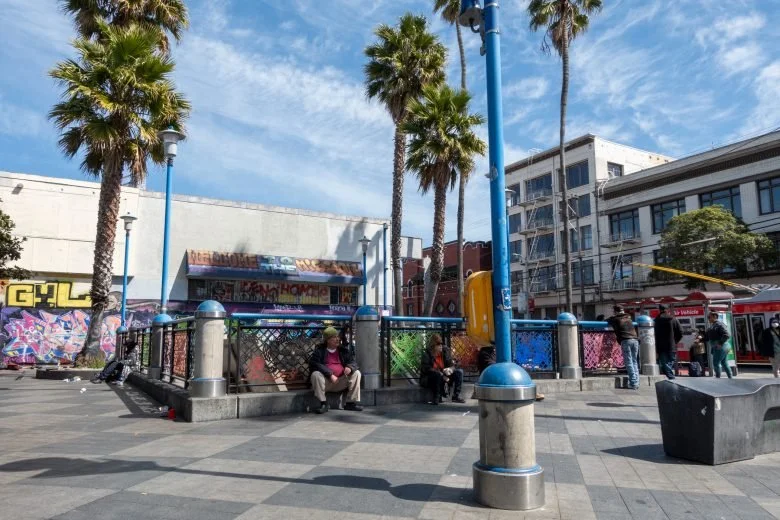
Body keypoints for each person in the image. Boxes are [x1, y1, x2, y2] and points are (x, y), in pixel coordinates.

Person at [309, 326, 363, 414]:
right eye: (334, 337)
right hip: (326, 382)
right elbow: (315, 364)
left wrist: (350, 367)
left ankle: (350, 403)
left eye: (338, 337)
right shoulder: (319, 351)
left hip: (341, 381)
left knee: (356, 373)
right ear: (327, 340)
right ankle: (323, 404)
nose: (337, 339)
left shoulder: (343, 351)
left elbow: (353, 363)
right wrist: (330, 374)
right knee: (315, 374)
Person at [476, 342, 544, 401]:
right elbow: (490, 366)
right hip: (491, 377)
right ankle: (531, 394)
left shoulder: (494, 352)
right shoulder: (485, 353)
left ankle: (531, 393)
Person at [420, 334, 465, 404]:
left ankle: (456, 396)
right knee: (437, 375)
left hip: (444, 376)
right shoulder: (427, 354)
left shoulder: (445, 351)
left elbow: (453, 364)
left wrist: (450, 369)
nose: (441, 345)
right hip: (430, 378)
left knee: (459, 372)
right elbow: (426, 368)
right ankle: (437, 397)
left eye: (441, 343)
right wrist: (441, 374)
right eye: (438, 344)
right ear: (433, 345)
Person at [608, 304, 640, 390]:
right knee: (634, 361)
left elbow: (608, 320)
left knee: (629, 362)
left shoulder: (615, 319)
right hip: (635, 340)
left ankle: (633, 383)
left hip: (626, 340)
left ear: (615, 311)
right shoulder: (628, 317)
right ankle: (636, 382)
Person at [654, 304, 683, 380]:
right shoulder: (673, 319)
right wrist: (675, 341)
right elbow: (681, 332)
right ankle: (670, 376)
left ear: (659, 310)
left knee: (664, 362)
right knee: (671, 360)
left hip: (660, 346)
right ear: (668, 310)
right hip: (671, 345)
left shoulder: (656, 321)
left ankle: (670, 375)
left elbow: (654, 334)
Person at [705, 311, 732, 379]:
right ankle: (730, 378)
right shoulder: (713, 325)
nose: (708, 319)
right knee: (724, 363)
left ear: (714, 317)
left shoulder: (719, 325)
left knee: (716, 363)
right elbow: (707, 337)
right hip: (720, 346)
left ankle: (718, 379)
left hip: (721, 347)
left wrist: (720, 343)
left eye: (709, 317)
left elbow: (727, 335)